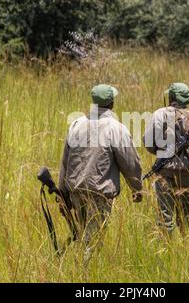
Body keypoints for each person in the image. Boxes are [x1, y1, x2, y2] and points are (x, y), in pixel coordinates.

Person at [59, 84, 143, 258]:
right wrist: (137, 188)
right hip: (99, 194)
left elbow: (65, 162)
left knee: (82, 235)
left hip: (75, 191)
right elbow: (131, 163)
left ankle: (75, 271)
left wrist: (62, 192)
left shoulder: (76, 124)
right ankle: (84, 276)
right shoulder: (116, 128)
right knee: (93, 241)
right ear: (111, 103)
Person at [143, 83, 189, 235]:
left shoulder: (160, 114)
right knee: (186, 216)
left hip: (165, 172)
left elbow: (148, 142)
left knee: (165, 217)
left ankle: (166, 250)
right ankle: (187, 246)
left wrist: (161, 153)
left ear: (171, 97)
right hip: (188, 173)